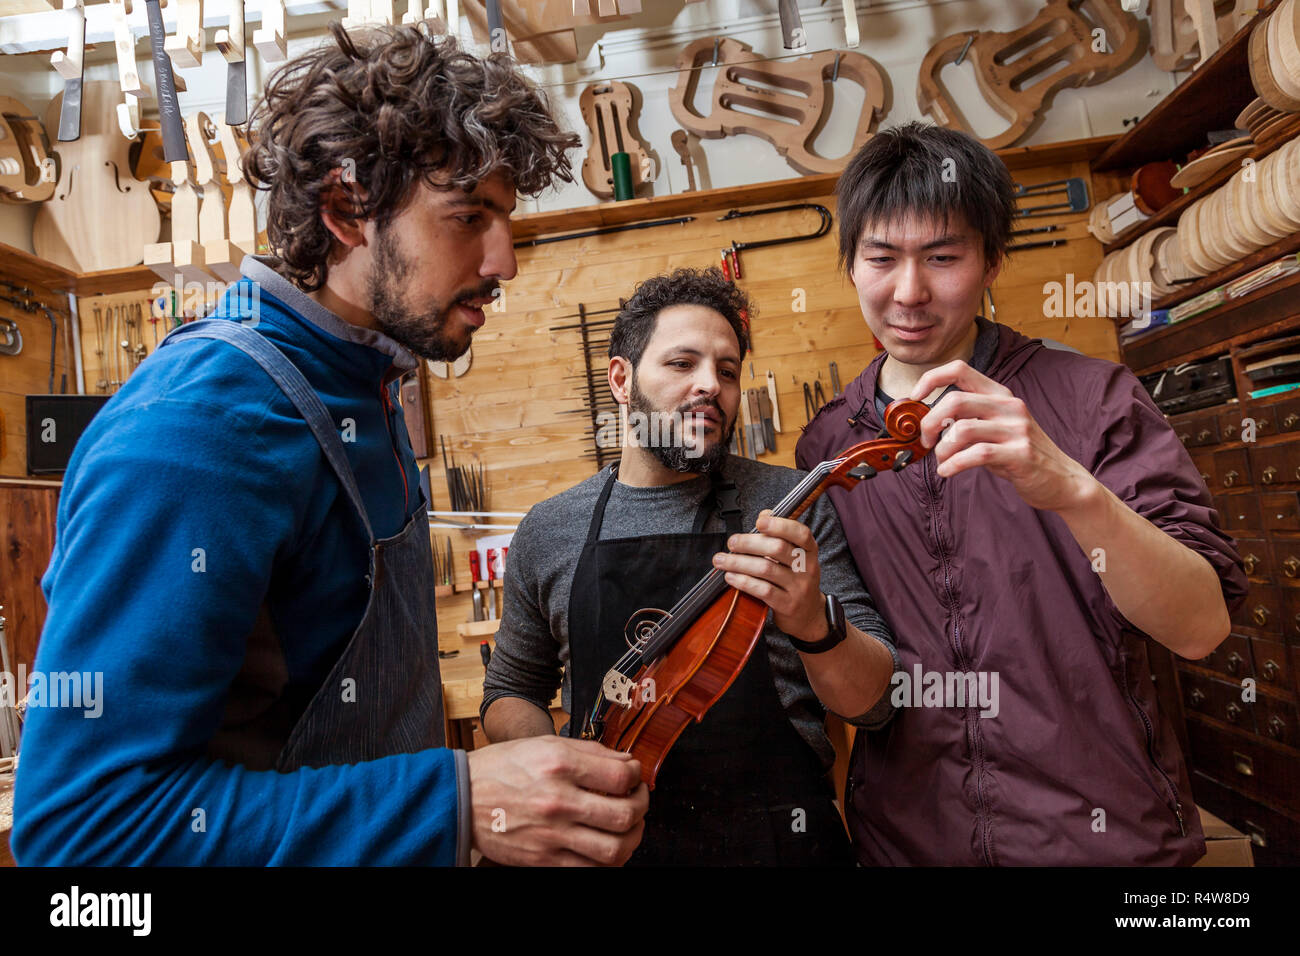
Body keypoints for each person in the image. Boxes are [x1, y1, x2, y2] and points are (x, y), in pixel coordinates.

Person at [13, 23, 648, 867]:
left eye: (506, 218)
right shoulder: (196, 431)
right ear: (348, 211)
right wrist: (455, 804)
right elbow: (82, 835)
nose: (506, 260)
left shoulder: (363, 383)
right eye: (469, 216)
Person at [794, 122, 1247, 866]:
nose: (908, 293)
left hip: (1101, 840)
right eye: (881, 258)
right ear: (850, 267)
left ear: (992, 261)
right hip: (910, 844)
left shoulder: (1095, 398)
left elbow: (1200, 627)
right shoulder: (826, 446)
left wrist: (1070, 487)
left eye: (943, 258)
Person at [482, 267, 901, 866]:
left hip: (781, 846)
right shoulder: (550, 530)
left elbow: (875, 704)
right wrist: (561, 774)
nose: (712, 384)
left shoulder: (793, 507)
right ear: (621, 380)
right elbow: (509, 691)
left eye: (727, 371)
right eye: (683, 364)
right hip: (614, 847)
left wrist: (814, 622)